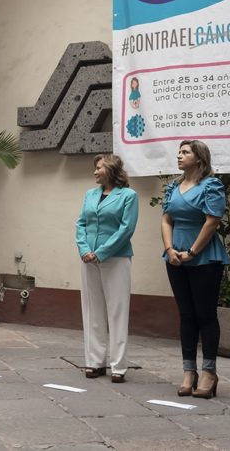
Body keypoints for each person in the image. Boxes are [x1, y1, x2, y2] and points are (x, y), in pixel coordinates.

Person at [161, 139, 229, 399]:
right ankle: (189, 371)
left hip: (204, 258)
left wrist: (191, 252)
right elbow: (166, 219)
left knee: (205, 315)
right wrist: (170, 250)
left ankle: (209, 372)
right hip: (175, 257)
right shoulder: (173, 186)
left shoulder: (211, 185)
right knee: (186, 315)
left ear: (199, 158)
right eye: (179, 152)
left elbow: (212, 221)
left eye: (185, 152)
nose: (179, 156)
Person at [75, 153, 139, 383]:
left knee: (117, 312)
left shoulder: (128, 196)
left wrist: (101, 252)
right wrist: (84, 249)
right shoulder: (90, 194)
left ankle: (118, 366)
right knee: (93, 310)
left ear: (111, 170)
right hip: (88, 259)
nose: (95, 172)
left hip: (116, 259)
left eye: (99, 167)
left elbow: (126, 229)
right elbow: (81, 223)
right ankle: (95, 362)